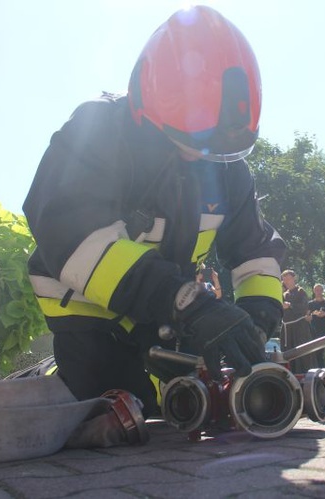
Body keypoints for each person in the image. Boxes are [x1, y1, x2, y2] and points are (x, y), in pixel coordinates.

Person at [21, 5, 286, 420]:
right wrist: (190, 304)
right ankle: (51, 376)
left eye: (218, 149)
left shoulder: (227, 166)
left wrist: (256, 319)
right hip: (88, 309)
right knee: (114, 412)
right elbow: (73, 238)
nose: (205, 158)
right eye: (193, 143)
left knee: (182, 408)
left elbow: (257, 252)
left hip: (164, 308)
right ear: (153, 102)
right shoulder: (97, 133)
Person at [281, 270, 315, 374]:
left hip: (299, 326)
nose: (286, 281)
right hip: (287, 327)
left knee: (301, 351)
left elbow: (304, 307)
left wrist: (290, 305)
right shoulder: (284, 294)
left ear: (294, 278)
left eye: (288, 278)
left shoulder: (301, 291)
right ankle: (292, 373)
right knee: (289, 352)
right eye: (284, 279)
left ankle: (306, 373)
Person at [307, 283, 325, 368]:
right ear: (314, 291)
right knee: (318, 353)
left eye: (320, 290)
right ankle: (320, 373)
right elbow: (307, 316)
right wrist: (311, 315)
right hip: (315, 330)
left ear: (322, 291)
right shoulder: (310, 304)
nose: (318, 292)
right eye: (316, 290)